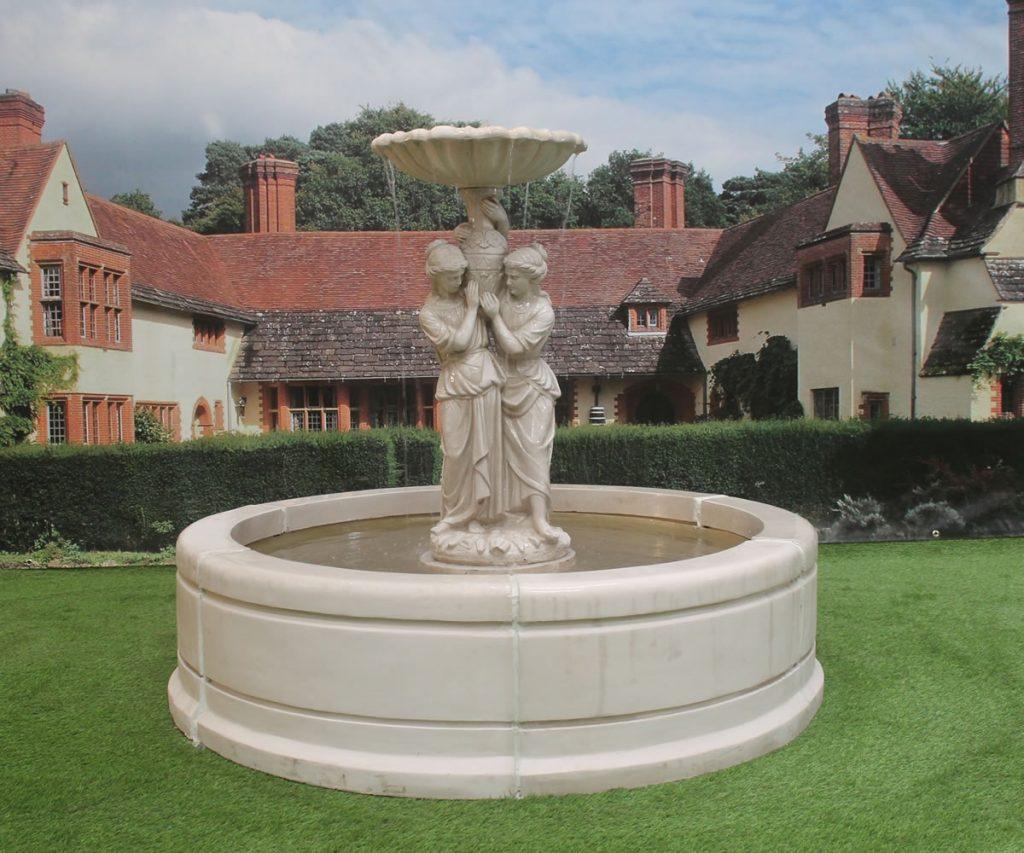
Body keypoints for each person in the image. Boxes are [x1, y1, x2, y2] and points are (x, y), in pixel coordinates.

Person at [481, 242, 566, 544]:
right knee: (500, 455)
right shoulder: (504, 296)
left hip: (531, 387)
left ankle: (539, 520)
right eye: (507, 276)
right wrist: (491, 222)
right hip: (501, 385)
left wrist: (494, 317)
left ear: (531, 279)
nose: (508, 282)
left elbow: (515, 347)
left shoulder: (544, 311)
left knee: (533, 453)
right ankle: (500, 513)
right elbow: (483, 275)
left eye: (514, 277)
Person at [419, 240, 506, 535]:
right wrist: (471, 311)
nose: (458, 282)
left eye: (460, 275)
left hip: (484, 376)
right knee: (455, 453)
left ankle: (482, 515)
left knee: (486, 450)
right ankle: (455, 515)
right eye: (452, 277)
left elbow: (497, 278)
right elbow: (457, 343)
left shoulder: (469, 294)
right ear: (436, 276)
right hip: (456, 378)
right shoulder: (429, 313)